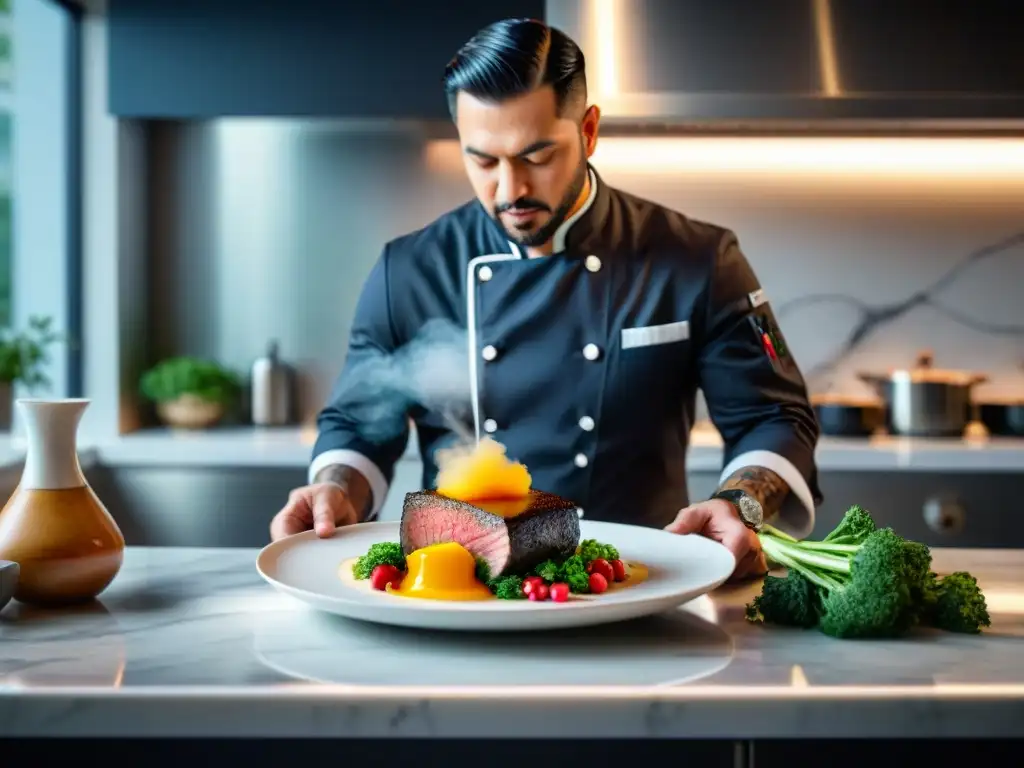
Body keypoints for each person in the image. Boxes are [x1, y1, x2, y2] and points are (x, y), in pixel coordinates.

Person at [269, 17, 821, 580]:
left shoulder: (697, 259)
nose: (510, 191)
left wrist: (740, 505)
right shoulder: (410, 270)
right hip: (459, 595)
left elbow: (773, 415)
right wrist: (334, 491)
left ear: (588, 131)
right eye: (482, 160)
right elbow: (361, 422)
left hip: (637, 585)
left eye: (536, 156)